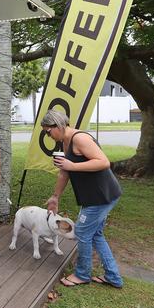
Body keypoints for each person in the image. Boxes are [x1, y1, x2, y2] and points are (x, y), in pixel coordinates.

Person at [41, 109, 124, 289]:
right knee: (95, 235)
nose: (48, 135)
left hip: (102, 195)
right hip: (93, 197)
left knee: (83, 233)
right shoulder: (65, 142)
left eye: (48, 131)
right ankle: (113, 277)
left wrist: (73, 165)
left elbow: (103, 162)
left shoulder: (80, 138)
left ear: (59, 124)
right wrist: (55, 196)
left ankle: (82, 274)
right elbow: (64, 172)